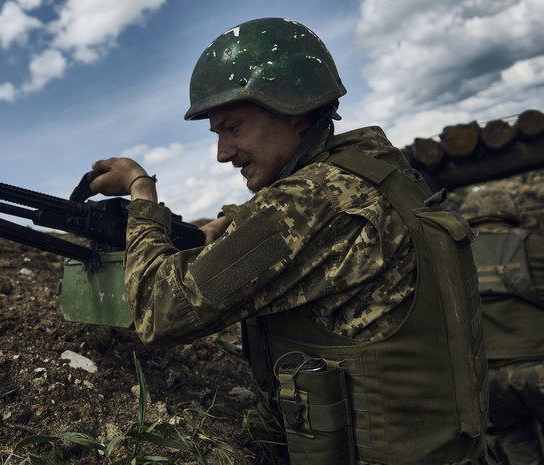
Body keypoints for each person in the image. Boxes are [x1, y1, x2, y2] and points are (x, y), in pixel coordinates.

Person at [89, 17, 489, 464]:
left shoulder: (308, 201)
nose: (222, 152)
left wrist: (142, 192)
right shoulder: (375, 167)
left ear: (293, 108)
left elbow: (159, 311)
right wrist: (232, 223)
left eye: (233, 127)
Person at [460, 189, 544, 465]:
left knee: (513, 440)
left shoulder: (456, 254)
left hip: (488, 377)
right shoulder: (530, 243)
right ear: (509, 211)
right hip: (537, 363)